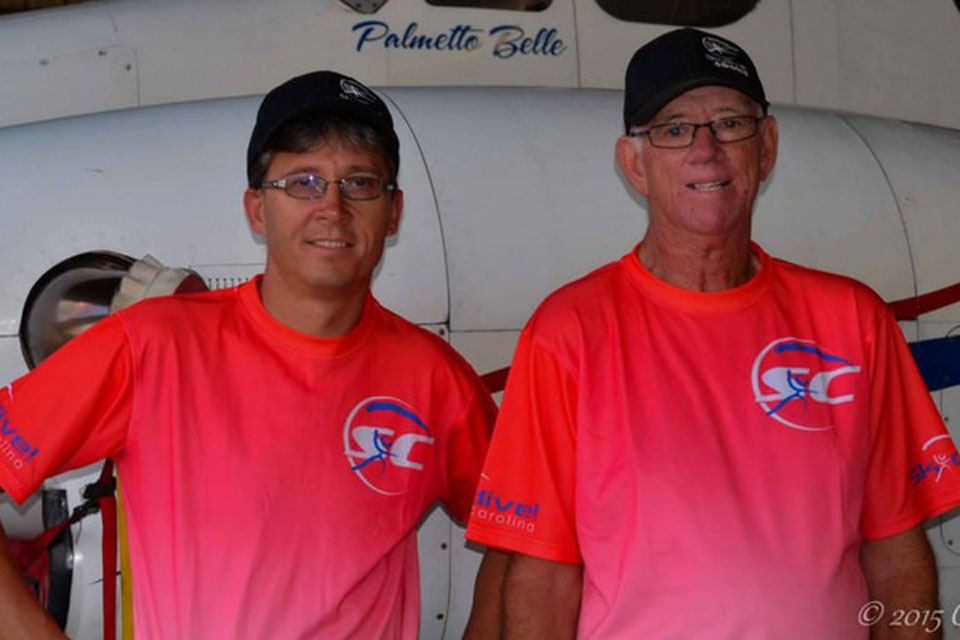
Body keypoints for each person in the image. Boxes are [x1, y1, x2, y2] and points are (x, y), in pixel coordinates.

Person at [465, 28, 960, 639]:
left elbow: (897, 553)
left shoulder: (853, 319)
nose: (706, 150)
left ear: (768, 147)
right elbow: (541, 577)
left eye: (730, 123)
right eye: (673, 130)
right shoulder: (569, 332)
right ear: (634, 163)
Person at [0, 70, 500, 639]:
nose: (332, 208)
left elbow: (525, 530)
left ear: (394, 213)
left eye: (360, 183)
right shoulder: (153, 345)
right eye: (303, 182)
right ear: (258, 209)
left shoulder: (433, 378)